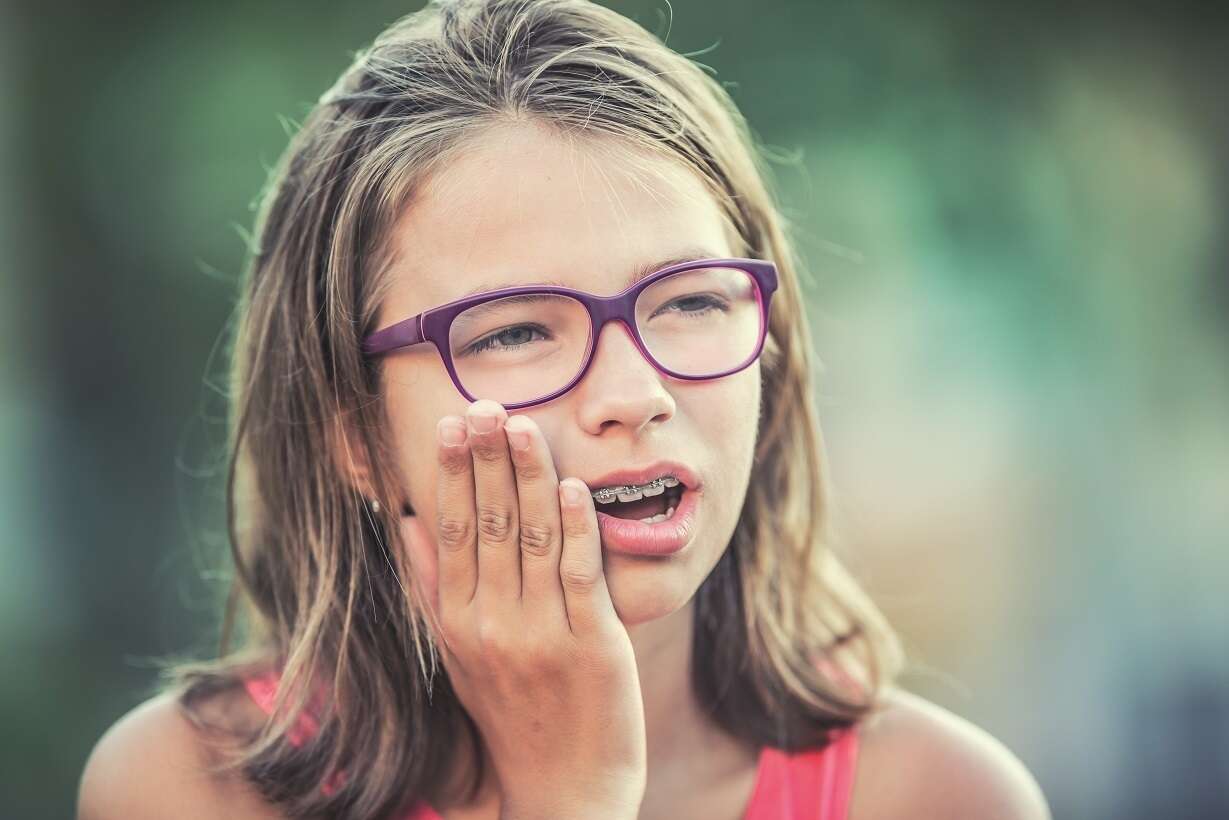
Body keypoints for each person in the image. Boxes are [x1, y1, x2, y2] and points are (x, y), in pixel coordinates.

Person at [77, 1, 1051, 817]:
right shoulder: (191, 787)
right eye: (513, 332)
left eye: (690, 302)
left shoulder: (942, 796)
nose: (634, 396)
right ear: (356, 436)